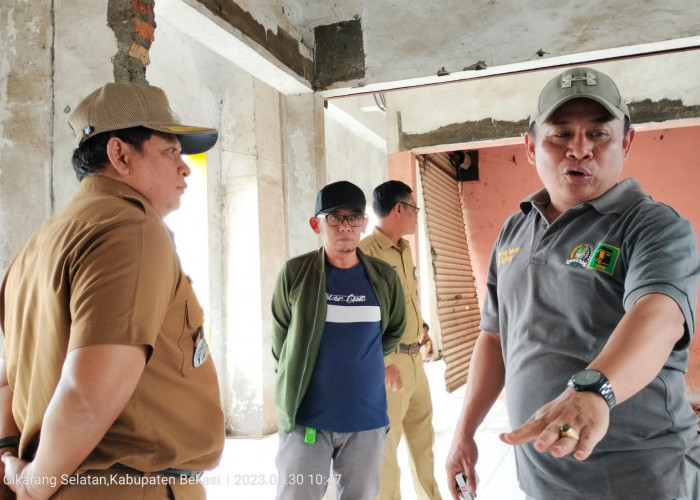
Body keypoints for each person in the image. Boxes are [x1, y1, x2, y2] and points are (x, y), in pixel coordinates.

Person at [446, 66, 700, 500]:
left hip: (644, 478)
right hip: (543, 478)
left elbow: (659, 313)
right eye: (559, 134)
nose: (578, 150)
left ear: (626, 141)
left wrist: (594, 390)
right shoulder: (513, 231)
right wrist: (464, 432)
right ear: (530, 146)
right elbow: (494, 337)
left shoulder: (652, 226)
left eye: (598, 134)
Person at [0, 82, 225, 499]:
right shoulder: (130, 228)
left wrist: (11, 456)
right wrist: (33, 485)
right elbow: (88, 395)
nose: (185, 167)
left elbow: (10, 378)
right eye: (171, 151)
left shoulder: (38, 243)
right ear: (120, 155)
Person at [271, 180, 406, 500]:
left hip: (366, 423)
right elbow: (281, 343)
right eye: (334, 217)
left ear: (364, 223)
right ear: (316, 223)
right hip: (307, 423)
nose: (345, 226)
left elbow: (393, 330)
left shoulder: (384, 277)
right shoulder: (295, 273)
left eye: (354, 217)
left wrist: (367, 362)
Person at [359, 180, 442, 500]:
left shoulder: (405, 250)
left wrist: (420, 323)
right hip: (389, 366)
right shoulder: (365, 254)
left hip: (415, 360)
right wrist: (384, 363)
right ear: (399, 209)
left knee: (424, 444)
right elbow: (362, 315)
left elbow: (404, 298)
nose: (415, 216)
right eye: (414, 208)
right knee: (385, 452)